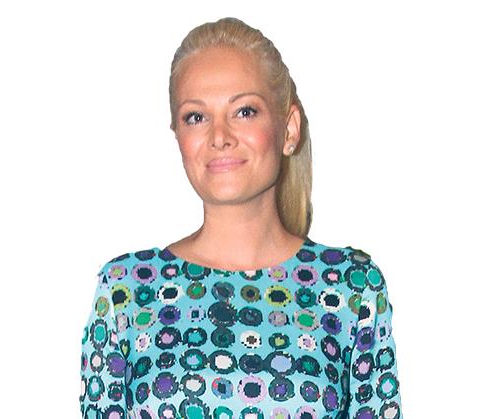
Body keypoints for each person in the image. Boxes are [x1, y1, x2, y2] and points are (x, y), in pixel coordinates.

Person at [79, 16, 403, 419]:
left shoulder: (352, 288)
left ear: (289, 129)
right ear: (178, 135)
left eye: (244, 111)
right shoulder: (126, 291)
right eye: (196, 117)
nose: (219, 136)